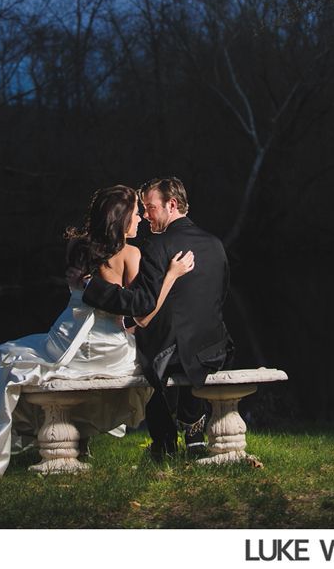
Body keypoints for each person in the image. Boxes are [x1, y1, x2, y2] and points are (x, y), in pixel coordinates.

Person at [0, 185, 195, 483]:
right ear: (119, 219)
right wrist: (170, 276)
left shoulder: (77, 247)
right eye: (135, 214)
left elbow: (108, 302)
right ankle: (83, 438)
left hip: (66, 339)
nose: (141, 220)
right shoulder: (131, 254)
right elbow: (142, 316)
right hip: (109, 352)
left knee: (4, 357)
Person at [79, 177, 233, 461]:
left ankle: (164, 441)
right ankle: (194, 435)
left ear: (171, 205)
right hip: (215, 348)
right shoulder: (216, 245)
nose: (146, 215)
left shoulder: (156, 246)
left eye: (150, 208)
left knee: (146, 351)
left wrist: (95, 291)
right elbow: (219, 298)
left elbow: (142, 304)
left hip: (172, 351)